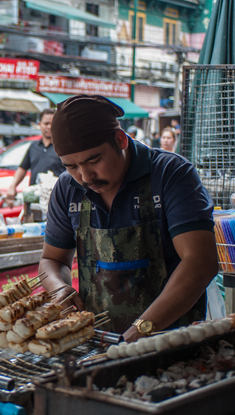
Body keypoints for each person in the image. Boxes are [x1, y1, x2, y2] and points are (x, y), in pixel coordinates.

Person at [39, 95, 218, 342]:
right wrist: (59, 289)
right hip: (98, 342)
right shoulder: (68, 188)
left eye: (94, 160)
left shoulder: (170, 174)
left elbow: (200, 262)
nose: (85, 176)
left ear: (120, 140)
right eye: (71, 166)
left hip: (171, 340)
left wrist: (141, 329)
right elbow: (51, 259)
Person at [5, 108, 65, 202]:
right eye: (46, 123)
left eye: (52, 123)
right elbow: (22, 168)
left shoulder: (63, 147)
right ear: (39, 124)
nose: (49, 127)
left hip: (56, 200)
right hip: (33, 198)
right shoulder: (33, 147)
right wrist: (12, 186)